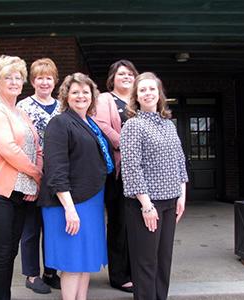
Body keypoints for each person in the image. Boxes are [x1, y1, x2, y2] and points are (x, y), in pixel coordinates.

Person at [38, 72, 113, 300]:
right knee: (72, 262)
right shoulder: (59, 123)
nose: (81, 96)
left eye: (85, 92)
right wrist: (69, 209)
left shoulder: (89, 123)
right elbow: (56, 169)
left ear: (92, 96)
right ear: (66, 96)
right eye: (75, 92)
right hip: (68, 202)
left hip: (91, 200)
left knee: (86, 260)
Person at [0, 55, 43, 300]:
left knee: (10, 251)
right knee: (1, 253)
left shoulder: (21, 113)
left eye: (18, 77)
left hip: (19, 193)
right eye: (8, 77)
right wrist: (37, 175)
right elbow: (9, 150)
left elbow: (37, 148)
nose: (14, 81)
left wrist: (35, 179)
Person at [120, 72, 188, 300]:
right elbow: (131, 168)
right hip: (146, 205)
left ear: (159, 94)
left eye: (152, 89)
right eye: (142, 90)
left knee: (163, 260)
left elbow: (180, 160)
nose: (148, 93)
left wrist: (182, 195)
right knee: (146, 263)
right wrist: (147, 206)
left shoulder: (169, 124)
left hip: (171, 201)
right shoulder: (133, 125)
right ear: (136, 96)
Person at [16, 58, 61, 294]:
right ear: (33, 81)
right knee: (31, 227)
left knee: (54, 225)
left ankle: (51, 272)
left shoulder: (63, 105)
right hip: (32, 173)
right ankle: (32, 275)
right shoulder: (23, 107)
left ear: (55, 81)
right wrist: (30, 174)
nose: (45, 82)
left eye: (49, 77)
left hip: (58, 176)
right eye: (40, 78)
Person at [94, 59, 138, 293]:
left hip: (142, 171)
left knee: (138, 223)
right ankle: (119, 275)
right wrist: (127, 144)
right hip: (120, 172)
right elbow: (101, 124)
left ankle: (136, 270)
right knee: (120, 223)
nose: (127, 77)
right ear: (113, 78)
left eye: (130, 74)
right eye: (122, 74)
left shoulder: (140, 98)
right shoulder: (105, 99)